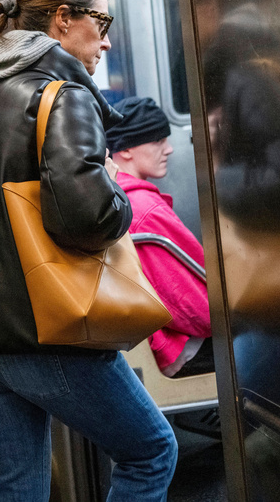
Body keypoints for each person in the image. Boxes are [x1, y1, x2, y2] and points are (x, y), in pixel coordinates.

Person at [0, 0, 178, 501]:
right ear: (63, 20)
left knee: (21, 485)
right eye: (102, 22)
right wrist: (120, 197)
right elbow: (86, 218)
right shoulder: (63, 94)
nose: (107, 42)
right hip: (44, 332)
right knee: (151, 451)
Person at [106, 96, 213, 377]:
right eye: (157, 141)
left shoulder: (111, 197)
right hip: (179, 349)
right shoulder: (144, 209)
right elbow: (200, 309)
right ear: (126, 148)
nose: (169, 149)